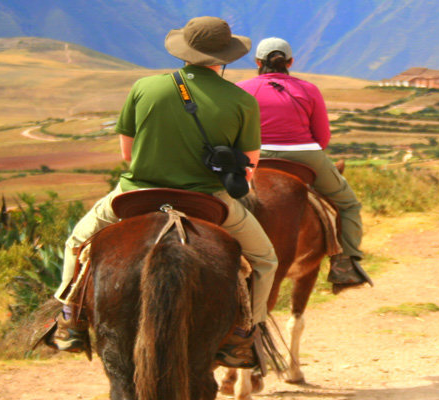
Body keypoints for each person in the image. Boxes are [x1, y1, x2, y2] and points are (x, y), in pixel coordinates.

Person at [44, 16, 278, 367]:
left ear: (184, 51)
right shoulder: (241, 100)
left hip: (138, 193)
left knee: (76, 242)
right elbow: (249, 166)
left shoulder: (145, 87)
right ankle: (242, 336)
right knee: (265, 260)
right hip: (209, 200)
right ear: (226, 57)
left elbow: (127, 153)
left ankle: (71, 320)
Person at [236, 38, 371, 292]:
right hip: (303, 155)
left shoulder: (241, 89)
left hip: (253, 156)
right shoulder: (308, 89)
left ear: (257, 62)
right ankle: (345, 265)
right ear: (290, 62)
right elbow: (322, 137)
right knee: (348, 204)